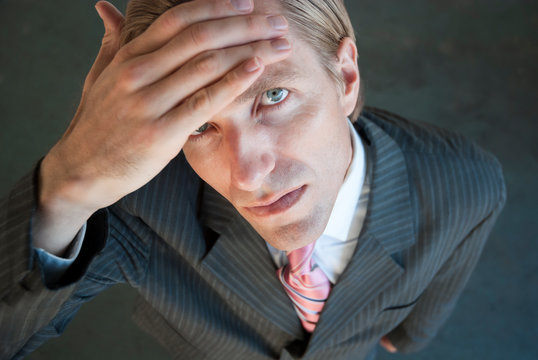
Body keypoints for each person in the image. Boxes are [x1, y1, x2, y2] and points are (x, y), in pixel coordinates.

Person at [0, 0, 506, 359]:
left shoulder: (466, 184)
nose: (247, 175)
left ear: (346, 76)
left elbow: (412, 329)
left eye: (274, 96)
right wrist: (69, 181)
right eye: (200, 125)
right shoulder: (138, 203)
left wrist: (405, 338)